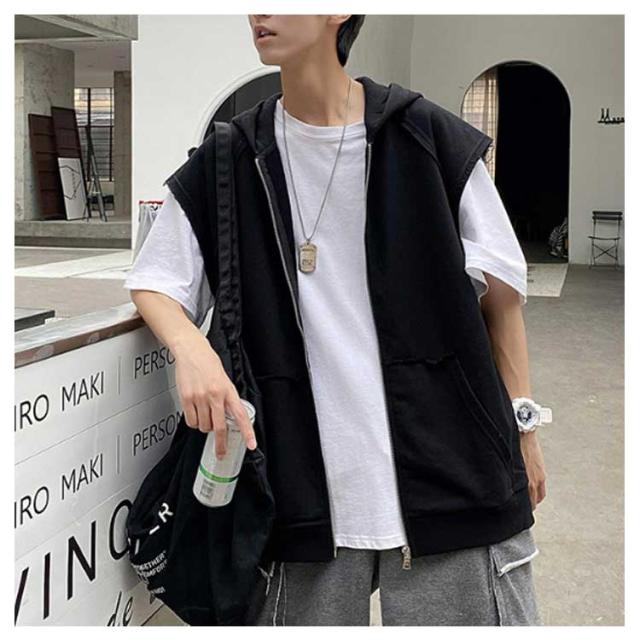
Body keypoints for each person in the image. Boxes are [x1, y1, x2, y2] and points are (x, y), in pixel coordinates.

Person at [126, 15, 547, 626]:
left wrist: (525, 429)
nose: (259, 12)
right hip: (299, 497)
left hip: (453, 479)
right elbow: (155, 280)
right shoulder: (231, 156)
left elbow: (502, 298)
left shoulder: (426, 135)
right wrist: (193, 350)